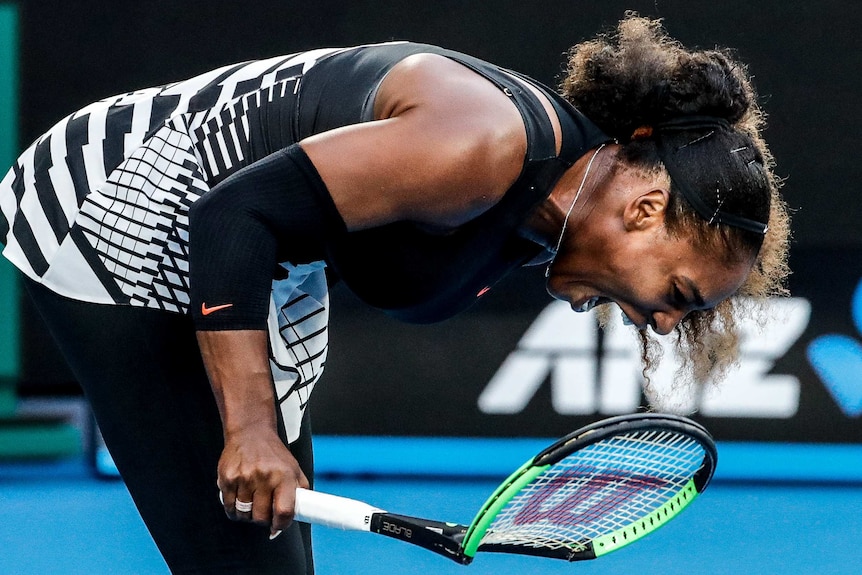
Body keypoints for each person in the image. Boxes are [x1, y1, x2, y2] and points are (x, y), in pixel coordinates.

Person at [0, 14, 789, 575]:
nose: (660, 320)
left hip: (265, 265)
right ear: (646, 208)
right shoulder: (482, 146)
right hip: (116, 201)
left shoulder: (544, 214)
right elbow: (231, 215)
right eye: (678, 292)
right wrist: (247, 426)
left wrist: (260, 429)